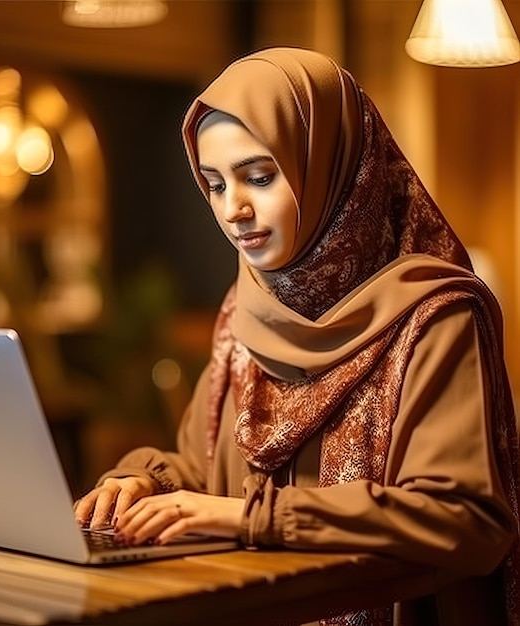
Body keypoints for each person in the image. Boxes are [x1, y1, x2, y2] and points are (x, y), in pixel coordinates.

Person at [74, 47, 520, 626]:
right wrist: (140, 480)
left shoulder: (434, 317)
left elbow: (465, 519)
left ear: (332, 167)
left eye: (258, 177)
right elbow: (201, 467)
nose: (233, 209)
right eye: (213, 184)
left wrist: (251, 518)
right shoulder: (245, 314)